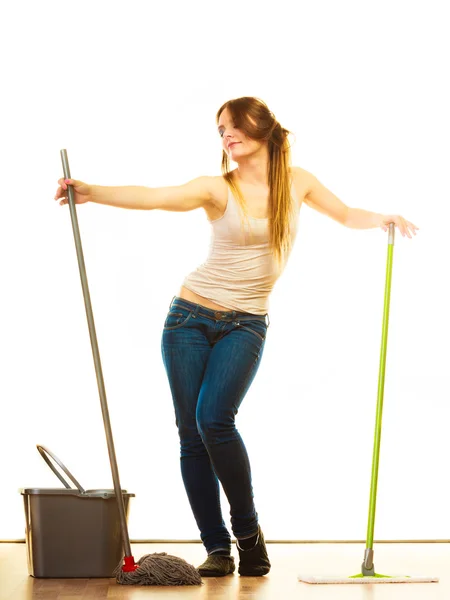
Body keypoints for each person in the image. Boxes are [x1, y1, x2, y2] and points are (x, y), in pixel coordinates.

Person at [54, 96, 418, 578]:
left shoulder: (298, 182)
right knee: (192, 434)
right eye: (220, 129)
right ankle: (218, 549)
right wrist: (91, 192)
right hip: (188, 319)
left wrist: (383, 219)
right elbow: (156, 196)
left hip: (246, 323)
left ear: (263, 129)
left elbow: (347, 213)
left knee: (214, 420)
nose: (226, 135)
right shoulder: (215, 189)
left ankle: (249, 535)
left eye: (234, 126)